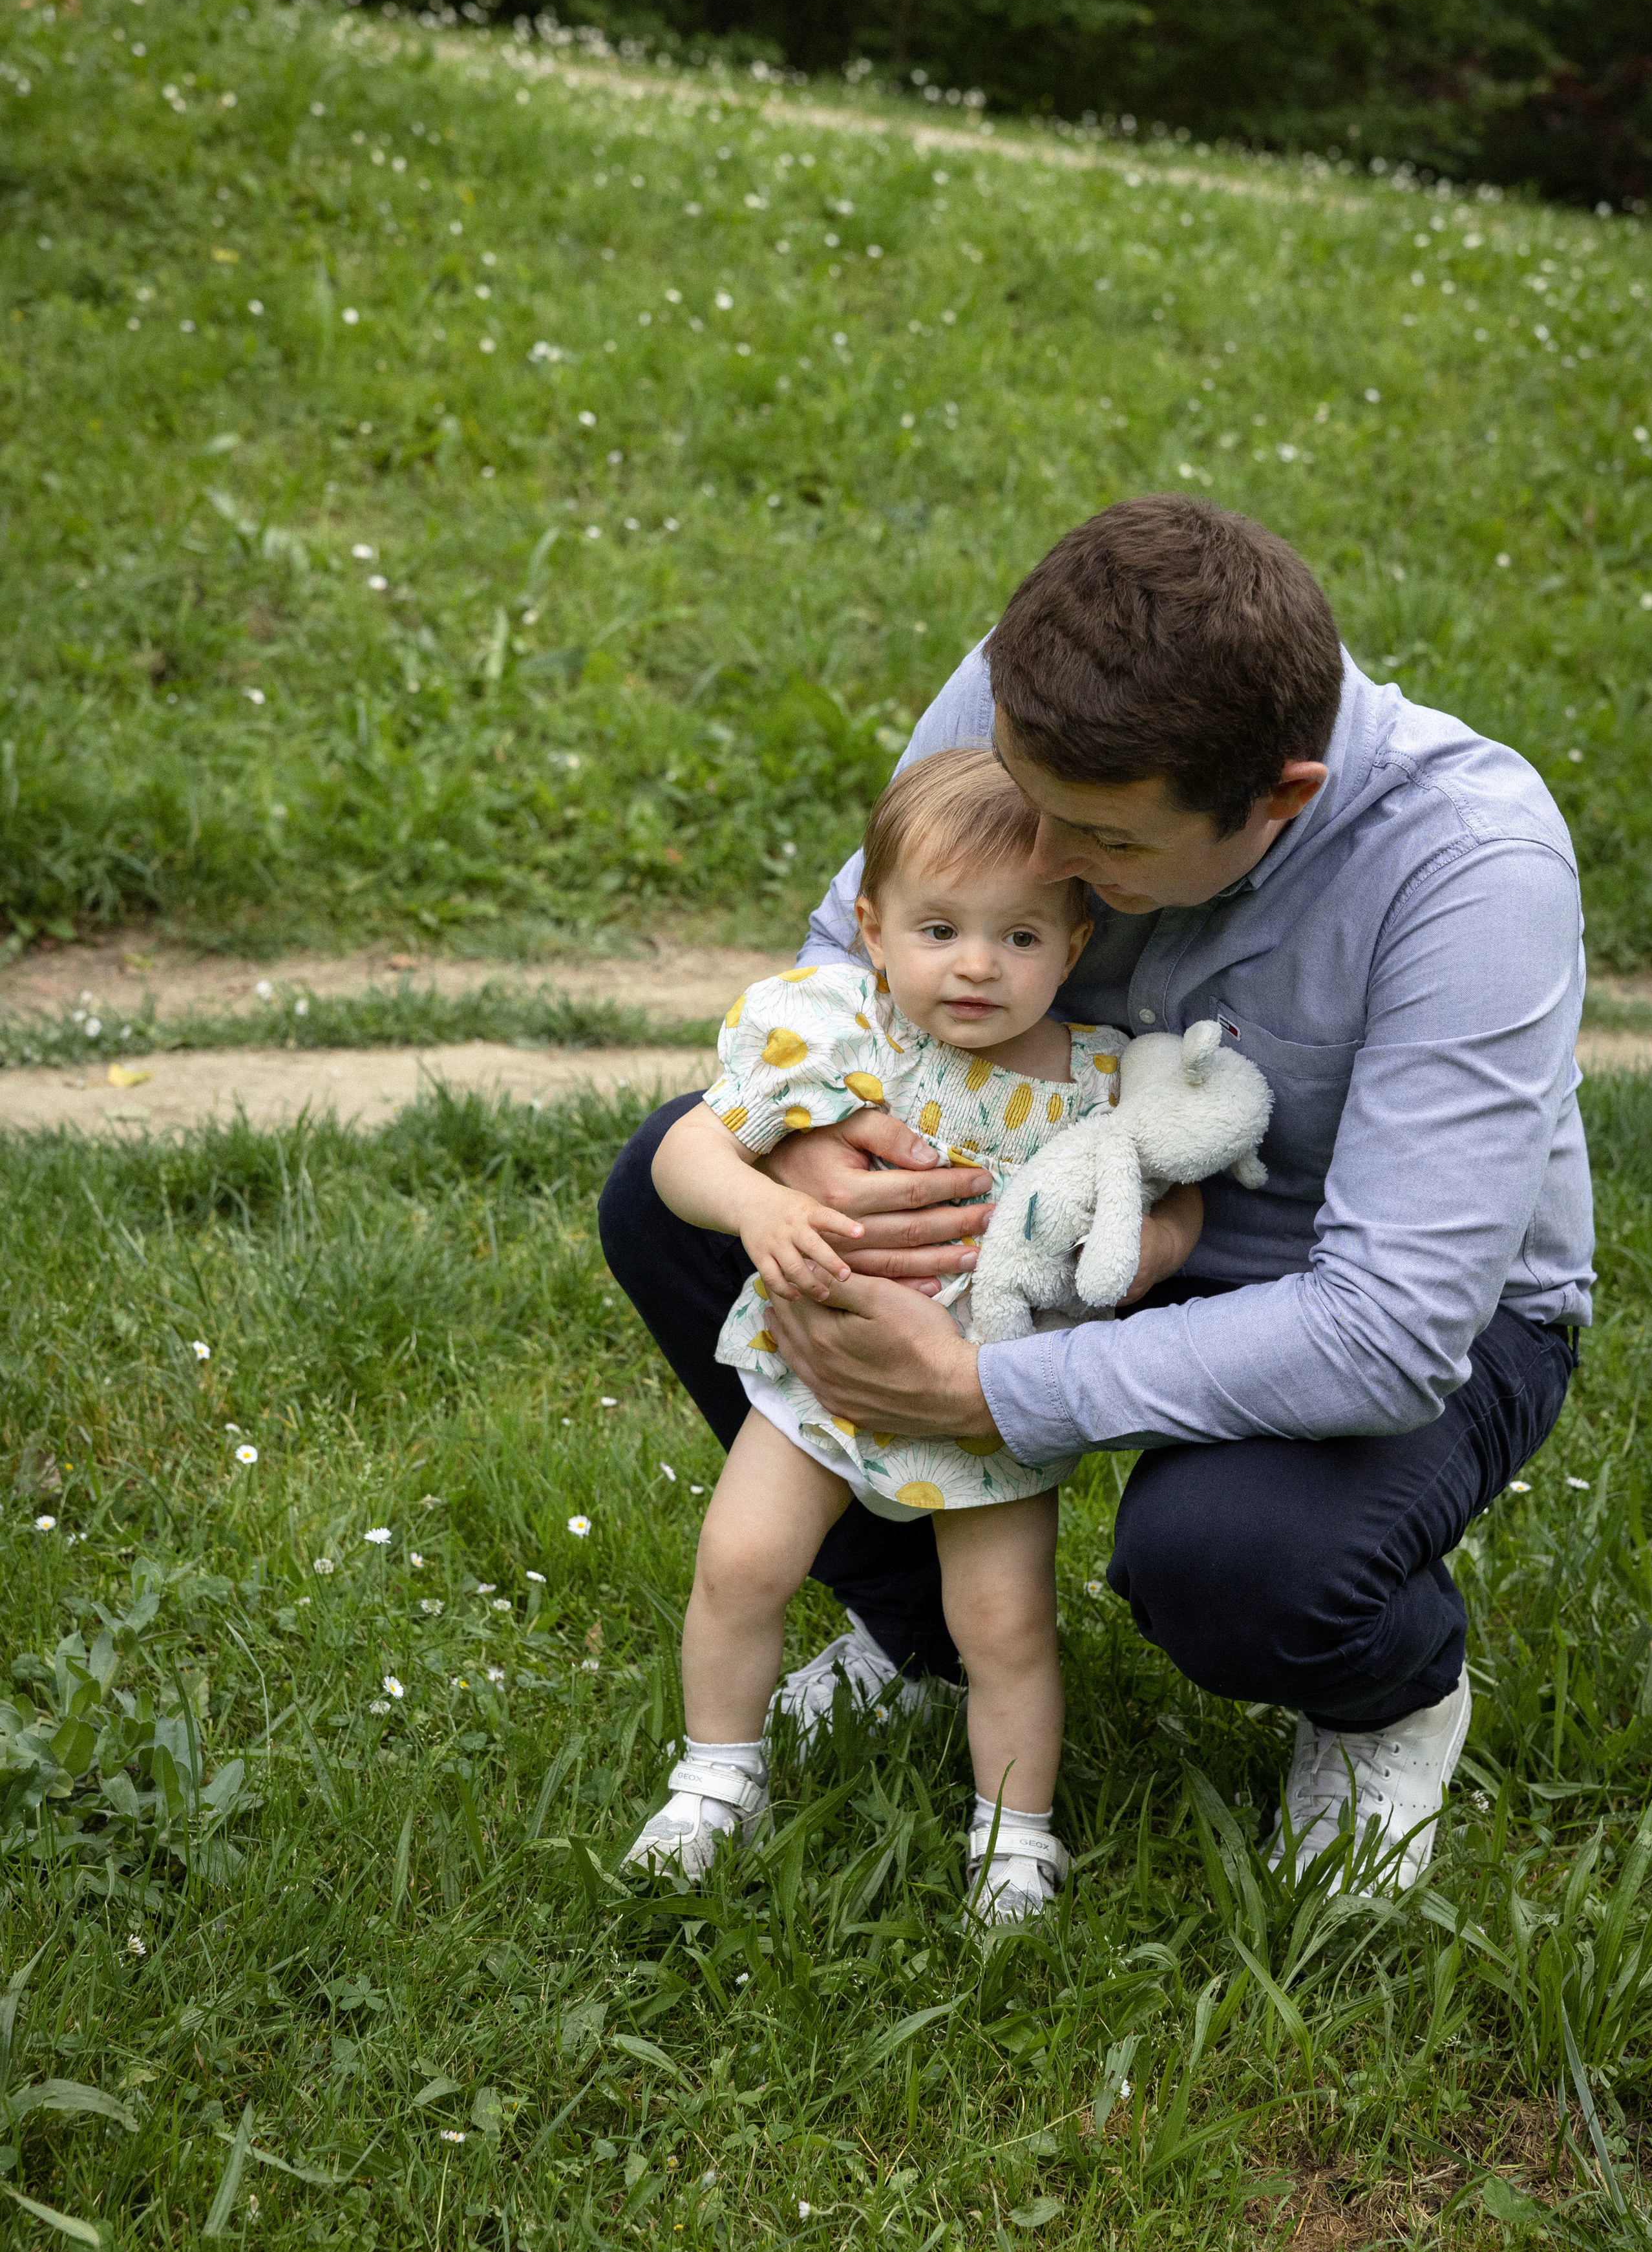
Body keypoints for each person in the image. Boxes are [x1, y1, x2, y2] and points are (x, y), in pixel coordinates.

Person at [601, 494, 1593, 1888]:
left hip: (1371, 1300)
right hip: (1036, 1213)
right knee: (674, 1190)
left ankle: (1390, 1698)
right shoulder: (1032, 687)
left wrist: (979, 1395)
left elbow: (1387, 1330)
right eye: (1030, 803)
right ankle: (923, 1642)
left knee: (1227, 1560)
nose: (1050, 867)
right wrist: (814, 1159)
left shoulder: (1469, 869)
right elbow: (852, 947)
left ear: (1280, 797)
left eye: (1108, 848)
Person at [620, 749, 1203, 1918]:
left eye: (1020, 938)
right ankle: (718, 1782)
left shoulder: (1100, 1081)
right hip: (820, 1371)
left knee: (1005, 1627)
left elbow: (1179, 1190)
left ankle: (1013, 1836)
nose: (977, 965)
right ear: (873, 930)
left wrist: (1153, 1251)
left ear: (1076, 947)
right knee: (740, 1567)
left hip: (990, 1394)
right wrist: (761, 1202)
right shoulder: (847, 1038)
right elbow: (691, 1145)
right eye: (940, 929)